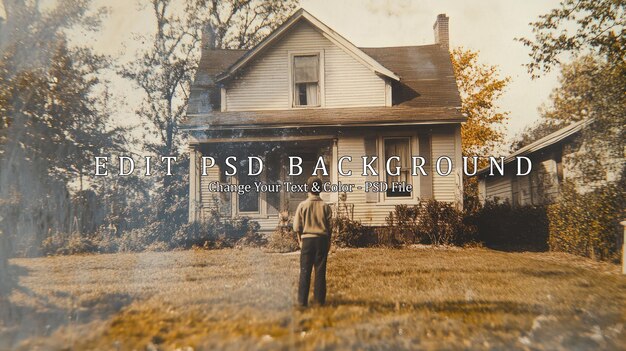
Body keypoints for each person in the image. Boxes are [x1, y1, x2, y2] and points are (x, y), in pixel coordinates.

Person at [293, 176, 333, 308]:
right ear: (320, 189)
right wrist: (328, 242)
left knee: (305, 271)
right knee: (320, 271)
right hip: (321, 240)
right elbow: (330, 227)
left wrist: (300, 241)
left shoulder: (302, 205)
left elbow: (297, 227)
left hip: (307, 241)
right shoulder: (326, 206)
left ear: (308, 189)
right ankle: (319, 301)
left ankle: (302, 301)